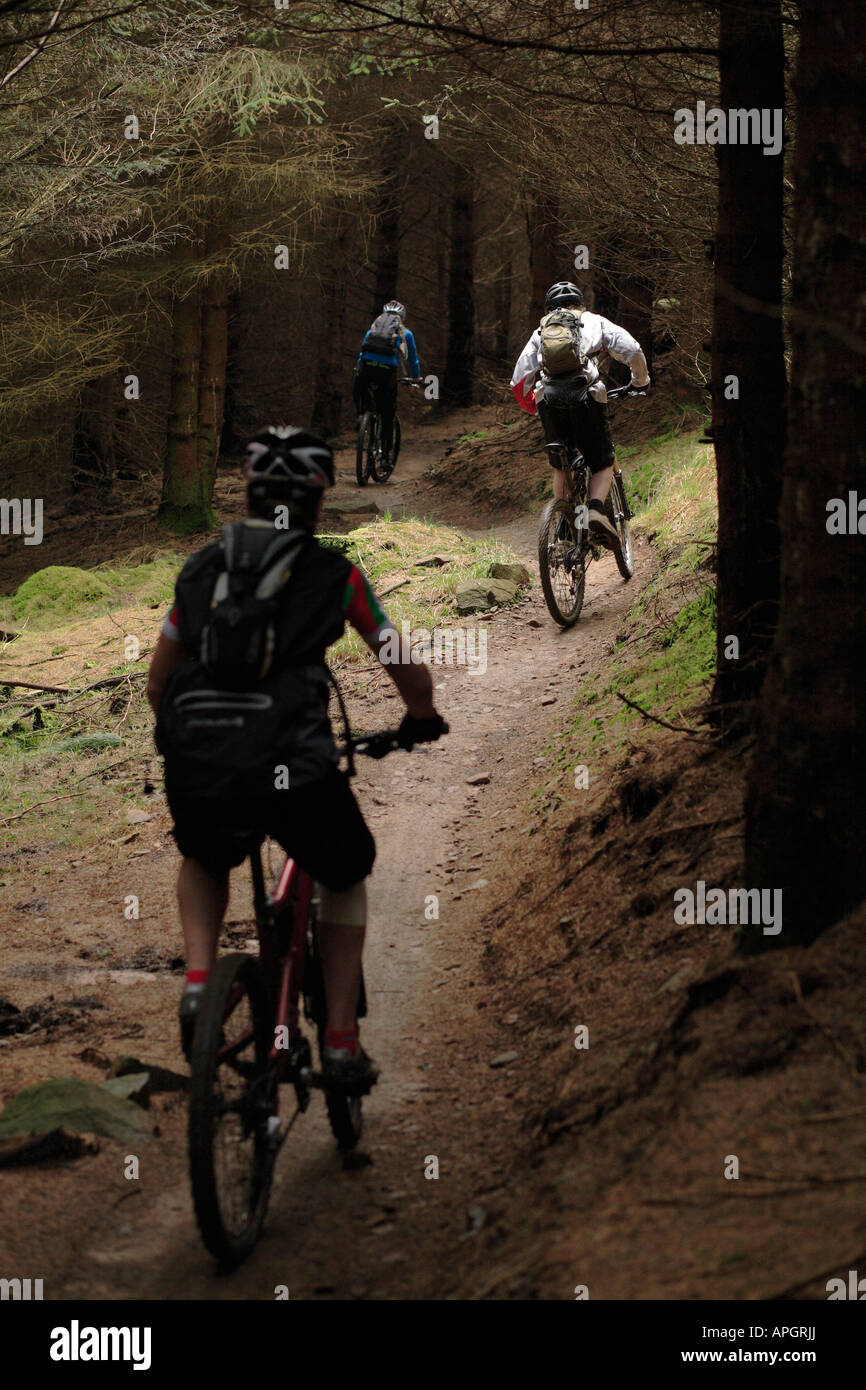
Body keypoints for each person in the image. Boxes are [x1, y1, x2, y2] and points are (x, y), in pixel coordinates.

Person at [146, 426, 446, 1091]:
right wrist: (421, 719)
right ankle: (340, 1041)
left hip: (201, 765)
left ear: (251, 494)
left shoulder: (200, 570)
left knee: (204, 856)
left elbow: (158, 681)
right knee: (344, 870)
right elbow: (403, 666)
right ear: (315, 503)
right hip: (296, 770)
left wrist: (187, 745)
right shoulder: (336, 576)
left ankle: (199, 983)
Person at [511, 281, 650, 548]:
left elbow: (519, 380)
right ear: (580, 303)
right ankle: (596, 510)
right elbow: (631, 349)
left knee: (561, 462)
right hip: (587, 397)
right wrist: (640, 380)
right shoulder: (594, 321)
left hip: (549, 401)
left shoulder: (541, 330)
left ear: (550, 308)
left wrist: (531, 404)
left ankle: (564, 531)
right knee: (601, 461)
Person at [353, 300, 421, 460]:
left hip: (366, 368)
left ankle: (361, 415)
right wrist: (416, 378)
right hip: (386, 372)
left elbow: (362, 353)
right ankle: (384, 456)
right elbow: (413, 360)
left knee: (360, 390)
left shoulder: (371, 331)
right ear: (401, 318)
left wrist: (359, 370)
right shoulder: (406, 334)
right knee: (388, 413)